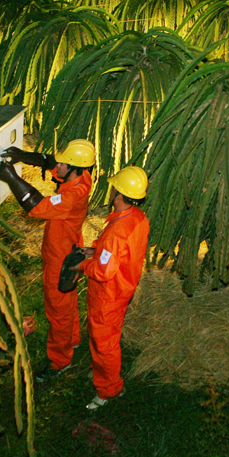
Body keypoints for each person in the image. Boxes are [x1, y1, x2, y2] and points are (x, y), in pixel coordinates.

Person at [0, 139, 95, 382]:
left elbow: (36, 205)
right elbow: (48, 161)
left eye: (63, 163)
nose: (57, 166)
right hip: (66, 248)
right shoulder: (81, 176)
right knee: (68, 301)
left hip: (60, 259)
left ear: (74, 168)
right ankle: (72, 341)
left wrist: (11, 178)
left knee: (58, 310)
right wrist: (23, 155)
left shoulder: (72, 196)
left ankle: (60, 362)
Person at [74, 166, 150, 410]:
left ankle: (109, 390)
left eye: (114, 187)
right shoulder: (137, 217)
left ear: (118, 194)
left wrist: (82, 265)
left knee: (104, 342)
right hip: (123, 287)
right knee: (105, 338)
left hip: (108, 295)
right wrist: (96, 250)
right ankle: (101, 373)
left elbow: (103, 270)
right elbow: (118, 253)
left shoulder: (116, 232)